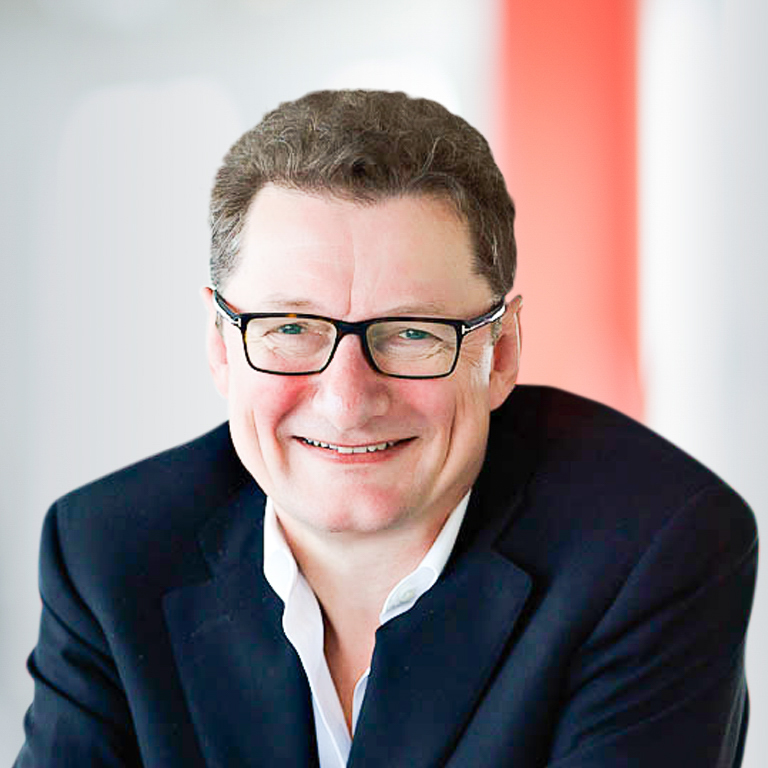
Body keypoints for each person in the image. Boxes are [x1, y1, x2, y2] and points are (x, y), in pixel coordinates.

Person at [15, 90, 757, 768]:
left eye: (410, 333)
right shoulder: (108, 556)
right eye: (291, 327)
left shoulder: (652, 547)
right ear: (221, 347)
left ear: (500, 353)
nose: (347, 400)